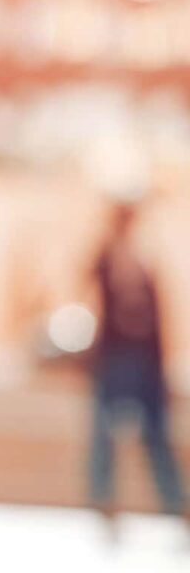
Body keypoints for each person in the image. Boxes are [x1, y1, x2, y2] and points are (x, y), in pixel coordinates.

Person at [87, 199, 186, 526]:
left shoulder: (145, 260)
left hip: (145, 360)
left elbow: (158, 316)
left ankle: (174, 502)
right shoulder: (110, 256)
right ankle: (103, 499)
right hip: (116, 356)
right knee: (105, 430)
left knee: (156, 432)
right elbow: (91, 278)